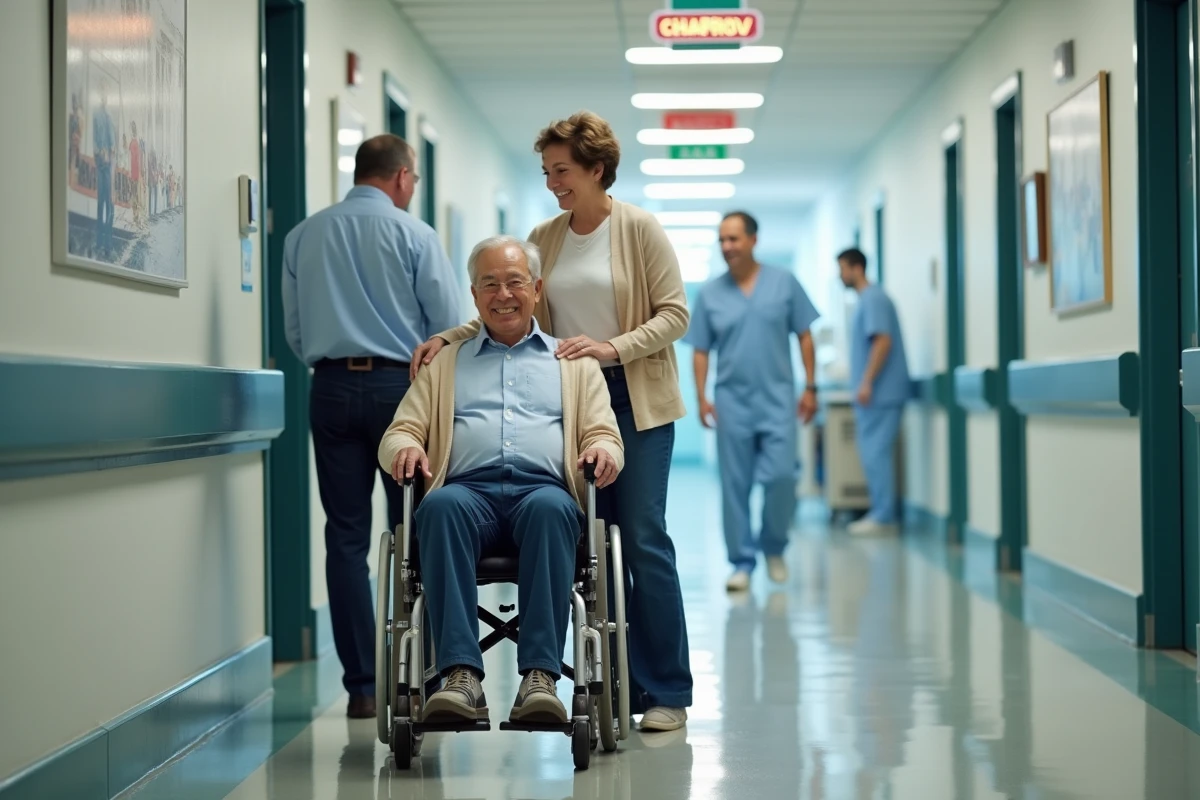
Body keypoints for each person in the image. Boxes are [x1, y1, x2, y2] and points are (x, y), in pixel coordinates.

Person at [409, 111, 693, 732]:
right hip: (559, 393)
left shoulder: (639, 229)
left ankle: (664, 689)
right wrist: (450, 338)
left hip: (630, 394)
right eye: (546, 172)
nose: (552, 183)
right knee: (594, 549)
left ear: (596, 169)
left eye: (561, 171)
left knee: (641, 540)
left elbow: (676, 315)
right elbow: (514, 302)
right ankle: (611, 682)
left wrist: (609, 349)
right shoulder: (549, 233)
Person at [378, 236, 624, 724]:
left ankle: (539, 676)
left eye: (514, 282)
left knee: (554, 512)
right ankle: (461, 677)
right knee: (439, 508)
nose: (503, 294)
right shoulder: (444, 362)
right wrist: (404, 446)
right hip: (469, 493)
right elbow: (401, 428)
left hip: (543, 491)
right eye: (490, 284)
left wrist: (603, 449)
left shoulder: (573, 362)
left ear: (536, 289)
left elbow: (604, 430)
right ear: (474, 295)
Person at [282, 133, 462, 719]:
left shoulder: (303, 235)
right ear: (404, 177)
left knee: (345, 538)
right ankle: (421, 675)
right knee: (415, 530)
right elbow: (447, 329)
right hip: (401, 392)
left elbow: (297, 333)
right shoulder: (416, 235)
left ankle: (362, 686)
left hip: (329, 388)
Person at [686, 212, 820, 592]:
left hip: (778, 401)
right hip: (732, 402)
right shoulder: (711, 293)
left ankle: (774, 546)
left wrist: (811, 387)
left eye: (734, 239)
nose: (727, 247)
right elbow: (700, 350)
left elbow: (805, 336)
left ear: (753, 240)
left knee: (781, 478)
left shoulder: (784, 283)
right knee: (735, 486)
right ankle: (742, 562)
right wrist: (702, 397)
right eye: (722, 240)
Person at [837, 248, 911, 534]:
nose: (840, 275)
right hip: (878, 394)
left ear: (856, 268)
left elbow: (882, 342)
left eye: (842, 268)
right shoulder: (867, 300)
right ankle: (882, 512)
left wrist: (866, 381)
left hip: (882, 393)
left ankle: (883, 516)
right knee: (873, 453)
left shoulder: (874, 298)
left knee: (875, 453)